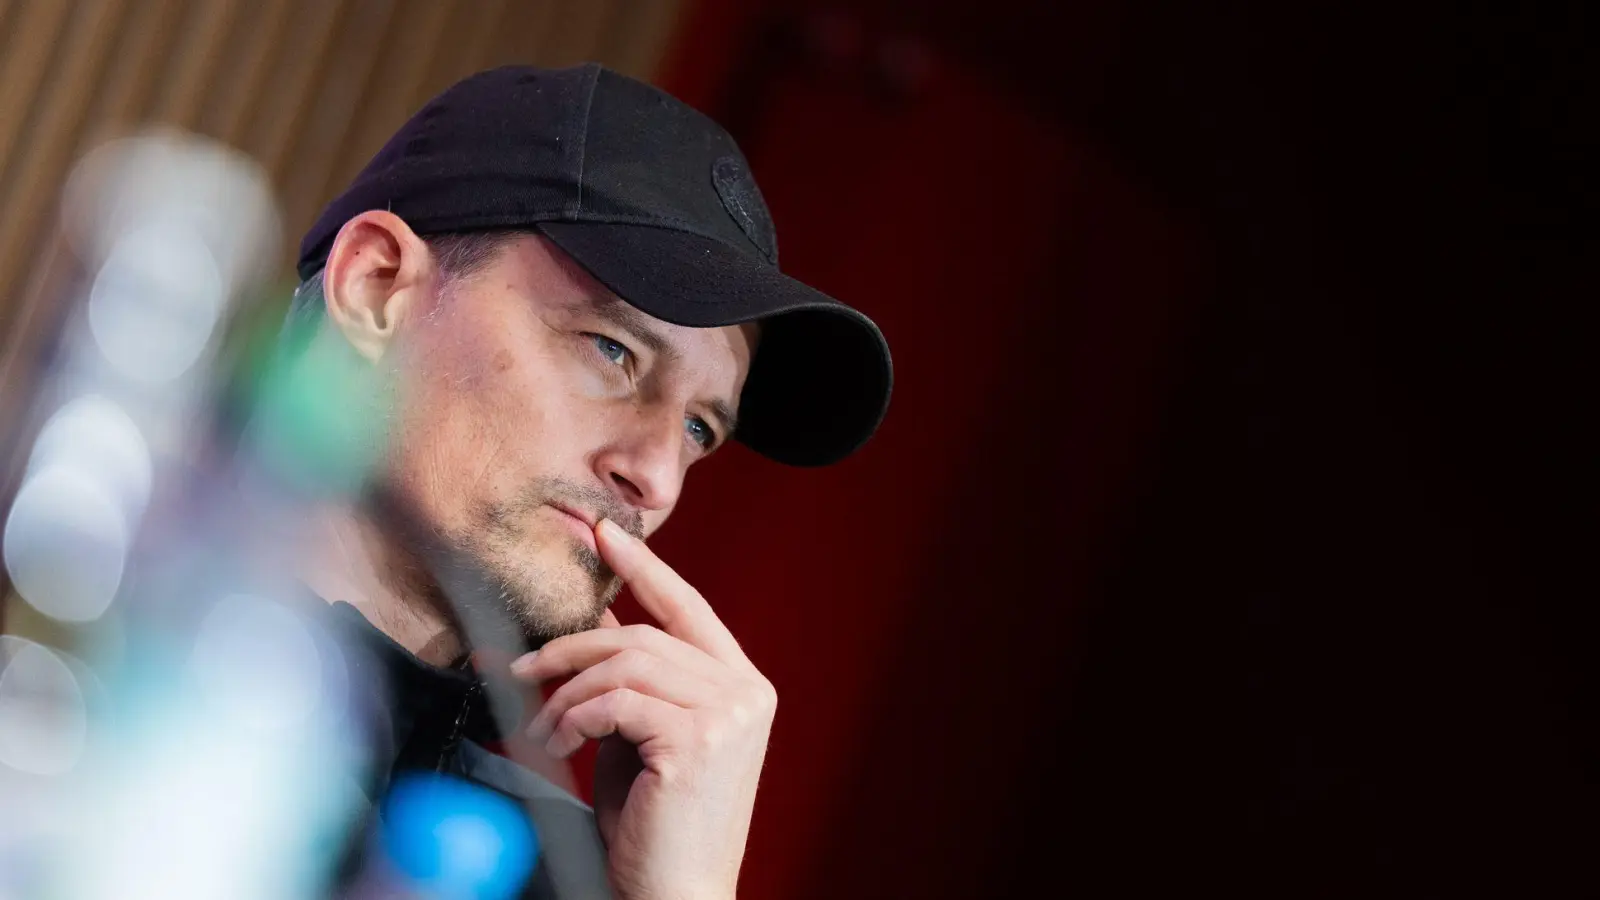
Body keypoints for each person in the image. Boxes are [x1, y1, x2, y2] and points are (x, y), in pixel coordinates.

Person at [266, 63, 892, 899]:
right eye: (612, 351)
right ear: (378, 290)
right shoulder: (61, 612)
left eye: (700, 428)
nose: (659, 478)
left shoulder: (561, 874)